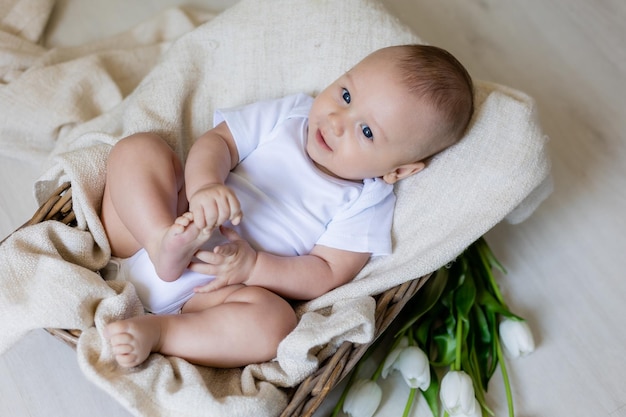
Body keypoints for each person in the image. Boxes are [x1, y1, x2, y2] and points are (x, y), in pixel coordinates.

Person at [102, 44, 474, 368]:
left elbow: (326, 273)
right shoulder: (292, 114)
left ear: (399, 170)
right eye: (346, 96)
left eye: (367, 131)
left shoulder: (367, 202)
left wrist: (254, 267)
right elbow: (218, 143)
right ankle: (159, 244)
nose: (336, 122)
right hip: (151, 228)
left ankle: (163, 332)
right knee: (139, 150)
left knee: (274, 324)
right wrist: (205, 187)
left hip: (209, 297)